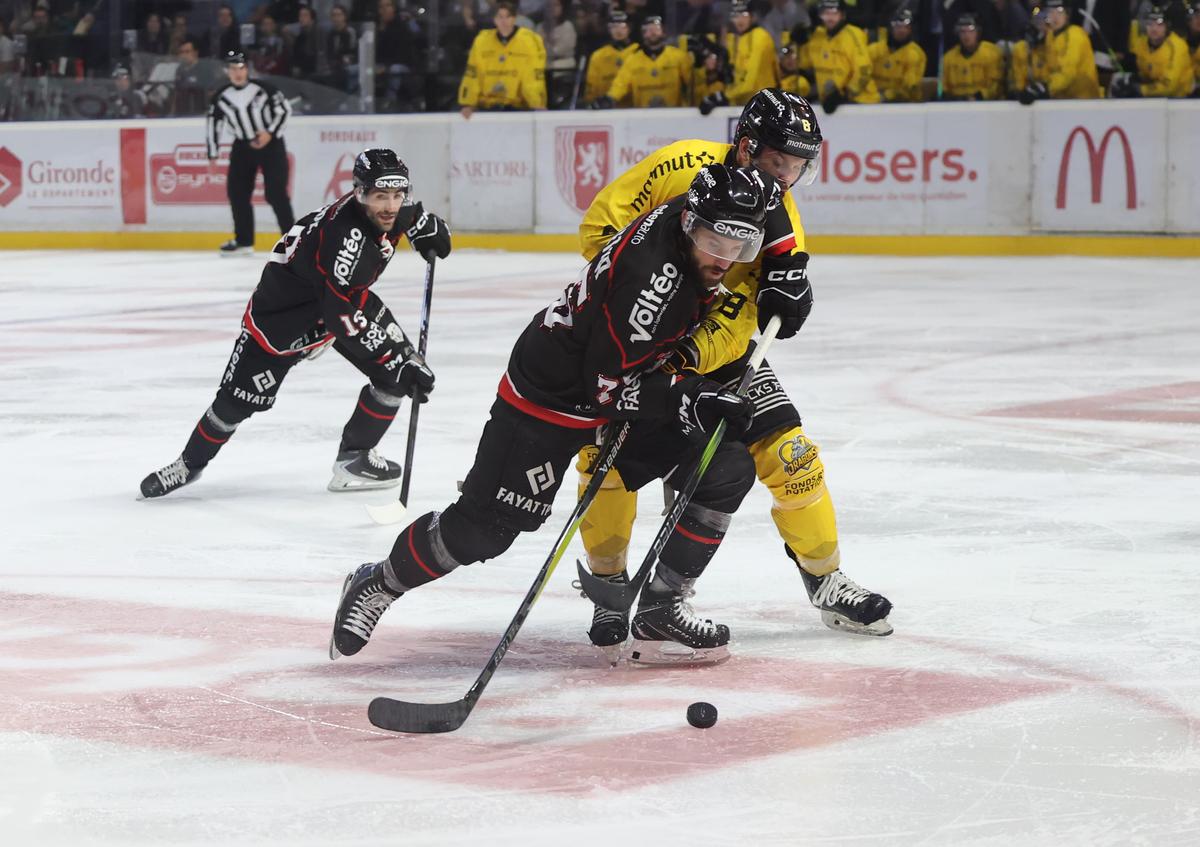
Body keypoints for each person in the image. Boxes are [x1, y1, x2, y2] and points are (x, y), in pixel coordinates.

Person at [329, 165, 776, 666]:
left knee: (723, 468)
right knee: (484, 531)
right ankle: (379, 582)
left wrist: (788, 263)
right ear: (691, 224)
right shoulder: (652, 289)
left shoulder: (692, 210)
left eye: (740, 245)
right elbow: (607, 390)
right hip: (551, 398)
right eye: (714, 242)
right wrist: (688, 397)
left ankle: (660, 609)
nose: (725, 259)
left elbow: (766, 205)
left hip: (624, 373)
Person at [575, 89, 894, 656]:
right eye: (778, 161)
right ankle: (609, 584)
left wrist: (776, 297)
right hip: (636, 339)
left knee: (791, 455)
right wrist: (649, 295)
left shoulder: (781, 214)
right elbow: (599, 230)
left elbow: (745, 312)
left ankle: (825, 578)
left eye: (798, 166)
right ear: (746, 147)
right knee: (608, 463)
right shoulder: (678, 165)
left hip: (712, 353)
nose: (787, 177)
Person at [139, 149, 453, 500]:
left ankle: (355, 459)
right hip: (282, 322)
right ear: (360, 193)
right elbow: (340, 315)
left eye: (397, 195)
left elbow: (409, 216)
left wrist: (425, 225)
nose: (390, 206)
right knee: (233, 406)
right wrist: (396, 359)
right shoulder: (345, 240)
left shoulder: (387, 210)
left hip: (340, 300)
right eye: (381, 196)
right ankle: (188, 465)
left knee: (398, 371)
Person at [205, 51, 296, 256]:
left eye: (241, 68)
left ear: (247, 69)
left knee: (276, 194)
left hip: (271, 145)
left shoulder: (264, 89)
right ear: (227, 72)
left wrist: (269, 133)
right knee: (237, 193)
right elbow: (213, 123)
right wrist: (212, 154)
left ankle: (292, 241)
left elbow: (284, 110)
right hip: (242, 147)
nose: (237, 73)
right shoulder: (221, 97)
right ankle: (243, 241)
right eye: (233, 69)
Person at [458, 0, 547, 117]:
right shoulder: (482, 41)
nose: (504, 21)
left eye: (507, 17)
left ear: (514, 18)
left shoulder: (529, 41)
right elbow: (473, 75)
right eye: (500, 17)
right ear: (494, 19)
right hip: (488, 106)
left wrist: (537, 103)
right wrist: (468, 103)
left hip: (518, 107)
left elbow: (533, 76)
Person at [593, 15, 691, 108]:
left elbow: (691, 82)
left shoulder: (679, 56)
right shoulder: (633, 59)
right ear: (642, 34)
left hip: (674, 113)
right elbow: (621, 84)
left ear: (663, 32)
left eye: (656, 29)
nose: (652, 33)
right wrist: (610, 98)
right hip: (642, 113)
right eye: (648, 30)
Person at [699, 0, 780, 113]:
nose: (739, 20)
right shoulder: (738, 39)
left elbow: (751, 81)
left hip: (764, 105)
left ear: (752, 16)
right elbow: (735, 78)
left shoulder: (760, 37)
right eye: (735, 16)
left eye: (744, 15)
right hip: (743, 104)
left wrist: (724, 96)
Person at [808, 0, 880, 113]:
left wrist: (843, 94)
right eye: (826, 13)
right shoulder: (818, 35)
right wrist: (799, 42)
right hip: (829, 101)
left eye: (834, 14)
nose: (830, 18)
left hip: (860, 102)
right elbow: (805, 62)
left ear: (842, 15)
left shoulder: (853, 35)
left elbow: (864, 71)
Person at [1021, 0, 1099, 102]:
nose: (1055, 16)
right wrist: (1036, 86)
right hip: (1059, 99)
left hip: (1083, 100)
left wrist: (1045, 87)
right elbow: (1046, 68)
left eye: (1060, 11)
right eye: (1050, 11)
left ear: (1067, 14)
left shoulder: (1075, 35)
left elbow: (1068, 73)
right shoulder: (1050, 36)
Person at [1114, 5, 1194, 97]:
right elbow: (1136, 68)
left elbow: (1169, 87)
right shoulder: (1141, 43)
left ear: (1167, 26)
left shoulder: (1177, 47)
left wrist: (1140, 89)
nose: (1154, 29)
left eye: (1159, 24)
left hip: (1180, 99)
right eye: (1150, 23)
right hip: (1151, 94)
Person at [869, 6, 926, 102]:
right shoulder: (874, 49)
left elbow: (909, 87)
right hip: (874, 97)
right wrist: (873, 94)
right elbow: (864, 76)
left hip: (903, 102)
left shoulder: (916, 53)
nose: (902, 30)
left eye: (906, 27)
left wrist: (887, 96)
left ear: (911, 30)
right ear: (890, 28)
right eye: (898, 26)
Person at [943, 12, 1005, 100]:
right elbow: (944, 87)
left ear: (978, 32)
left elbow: (995, 86)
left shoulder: (991, 53)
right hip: (956, 103)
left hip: (984, 103)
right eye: (962, 31)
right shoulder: (948, 58)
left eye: (971, 31)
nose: (966, 35)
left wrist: (977, 97)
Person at [583, 9, 636, 104]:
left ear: (629, 28)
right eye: (614, 26)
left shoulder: (638, 52)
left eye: (622, 26)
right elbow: (591, 86)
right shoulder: (598, 55)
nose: (618, 30)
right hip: (606, 107)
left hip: (635, 107)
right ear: (608, 29)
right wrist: (591, 102)